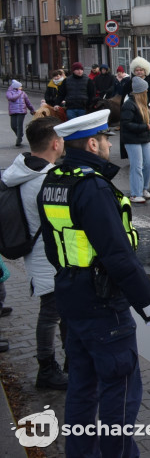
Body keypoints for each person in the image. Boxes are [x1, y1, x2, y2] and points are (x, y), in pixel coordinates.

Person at [37, 110, 150, 458]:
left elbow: (51, 245)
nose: (109, 144)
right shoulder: (91, 186)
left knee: (81, 385)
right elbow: (117, 254)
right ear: (92, 143)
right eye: (106, 139)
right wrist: (148, 305)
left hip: (70, 296)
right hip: (103, 302)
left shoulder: (55, 180)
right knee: (120, 392)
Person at [1, 117, 69, 388]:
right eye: (62, 139)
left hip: (36, 254)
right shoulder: (44, 180)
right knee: (52, 313)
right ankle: (47, 369)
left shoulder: (21, 169)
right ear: (55, 143)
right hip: (49, 258)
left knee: (57, 312)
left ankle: (65, 363)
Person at [120, 76, 150, 203]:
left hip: (144, 137)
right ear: (141, 92)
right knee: (136, 166)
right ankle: (135, 194)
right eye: (145, 90)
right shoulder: (128, 104)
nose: (147, 92)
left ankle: (143, 188)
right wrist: (145, 127)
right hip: (132, 139)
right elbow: (126, 124)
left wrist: (145, 127)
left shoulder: (142, 104)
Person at [6, 79, 36, 146]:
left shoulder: (23, 93)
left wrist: (32, 110)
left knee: (19, 125)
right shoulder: (9, 92)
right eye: (20, 86)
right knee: (13, 126)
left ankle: (19, 139)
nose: (21, 87)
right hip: (13, 111)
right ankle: (20, 134)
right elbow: (11, 98)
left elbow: (28, 102)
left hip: (21, 111)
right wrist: (19, 92)